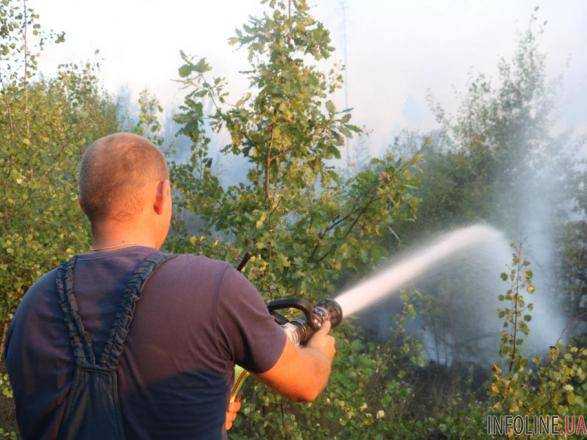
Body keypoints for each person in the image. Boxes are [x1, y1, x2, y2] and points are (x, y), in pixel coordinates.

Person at [4, 133, 336, 439]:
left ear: (83, 206)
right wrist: (320, 348)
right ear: (163, 195)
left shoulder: (31, 307)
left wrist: (204, 411)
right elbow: (305, 384)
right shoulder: (214, 288)